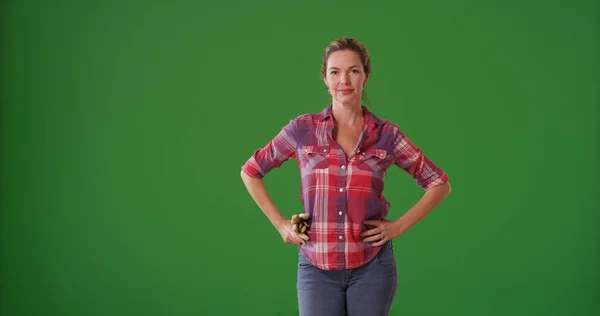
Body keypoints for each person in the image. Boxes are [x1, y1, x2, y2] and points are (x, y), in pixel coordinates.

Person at [240, 37, 451, 316]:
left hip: (373, 267)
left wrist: (398, 227)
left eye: (353, 71)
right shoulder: (303, 129)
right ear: (325, 79)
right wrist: (281, 225)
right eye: (335, 72)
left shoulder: (386, 135)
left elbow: (439, 184)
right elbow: (251, 171)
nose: (344, 80)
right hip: (316, 266)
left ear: (366, 76)